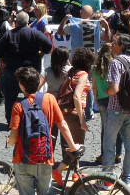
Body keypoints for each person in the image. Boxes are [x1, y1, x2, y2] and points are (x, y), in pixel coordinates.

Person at [6, 66, 80, 195]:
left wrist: (9, 141)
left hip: (23, 158)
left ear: (21, 85)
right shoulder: (49, 99)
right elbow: (62, 124)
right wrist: (72, 146)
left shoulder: (18, 106)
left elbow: (13, 137)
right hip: (45, 156)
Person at [0, 11, 54, 122]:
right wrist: (41, 54)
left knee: (10, 97)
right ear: (27, 22)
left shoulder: (9, 34)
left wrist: (2, 61)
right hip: (31, 69)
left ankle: (11, 120)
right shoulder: (34, 33)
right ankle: (33, 118)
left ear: (16, 21)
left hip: (12, 69)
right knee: (31, 95)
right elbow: (48, 44)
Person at [102, 33, 130, 186]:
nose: (112, 44)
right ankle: (128, 178)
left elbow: (114, 89)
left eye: (115, 42)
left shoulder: (116, 63)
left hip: (115, 109)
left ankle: (107, 180)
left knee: (109, 146)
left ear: (122, 46)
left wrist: (105, 92)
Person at [51, 47, 94, 186]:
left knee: (73, 145)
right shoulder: (83, 75)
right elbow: (76, 95)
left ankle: (76, 172)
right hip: (75, 113)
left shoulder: (71, 71)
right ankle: (58, 171)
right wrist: (82, 119)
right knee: (78, 146)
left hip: (65, 112)